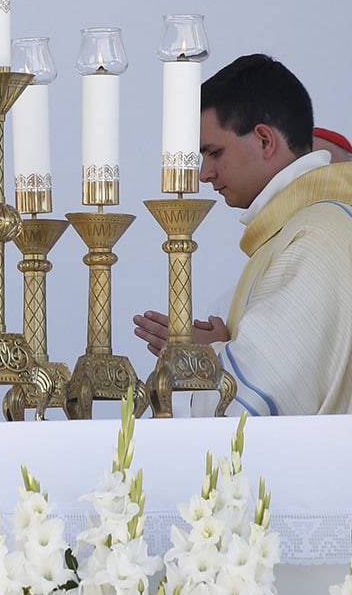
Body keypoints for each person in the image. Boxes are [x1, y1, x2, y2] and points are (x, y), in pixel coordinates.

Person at [133, 54, 352, 416]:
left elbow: (248, 412)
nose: (204, 174)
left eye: (214, 152)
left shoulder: (314, 240)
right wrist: (221, 349)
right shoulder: (307, 227)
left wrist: (206, 360)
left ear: (265, 140)